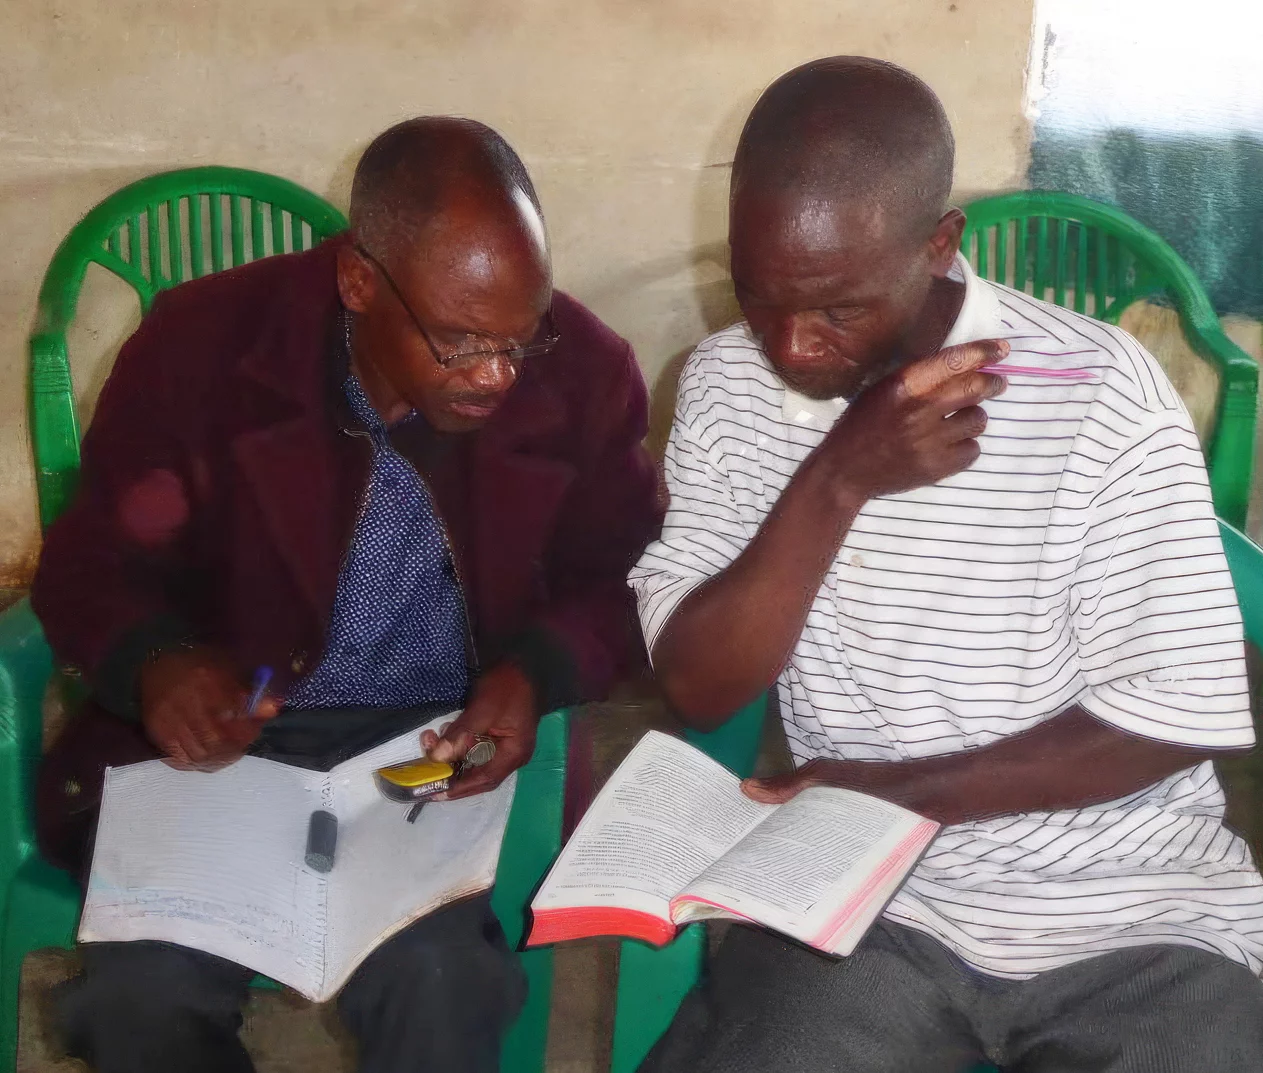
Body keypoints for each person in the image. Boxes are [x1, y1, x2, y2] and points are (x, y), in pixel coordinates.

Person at [631, 56, 1263, 1073]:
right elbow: (703, 685)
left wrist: (898, 789)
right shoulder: (724, 387)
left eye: (837, 308)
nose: (791, 346)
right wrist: (839, 476)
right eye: (757, 296)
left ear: (937, 245)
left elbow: (1176, 710)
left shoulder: (1100, 389)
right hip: (864, 901)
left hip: (1132, 903)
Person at [31, 117, 662, 1073]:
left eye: (517, 339)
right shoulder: (202, 347)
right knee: (138, 997)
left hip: (434, 749)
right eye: (458, 342)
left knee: (443, 985)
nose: (495, 376)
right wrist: (153, 657)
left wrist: (534, 673)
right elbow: (88, 563)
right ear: (359, 282)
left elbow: (621, 577)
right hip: (225, 747)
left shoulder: (583, 372)